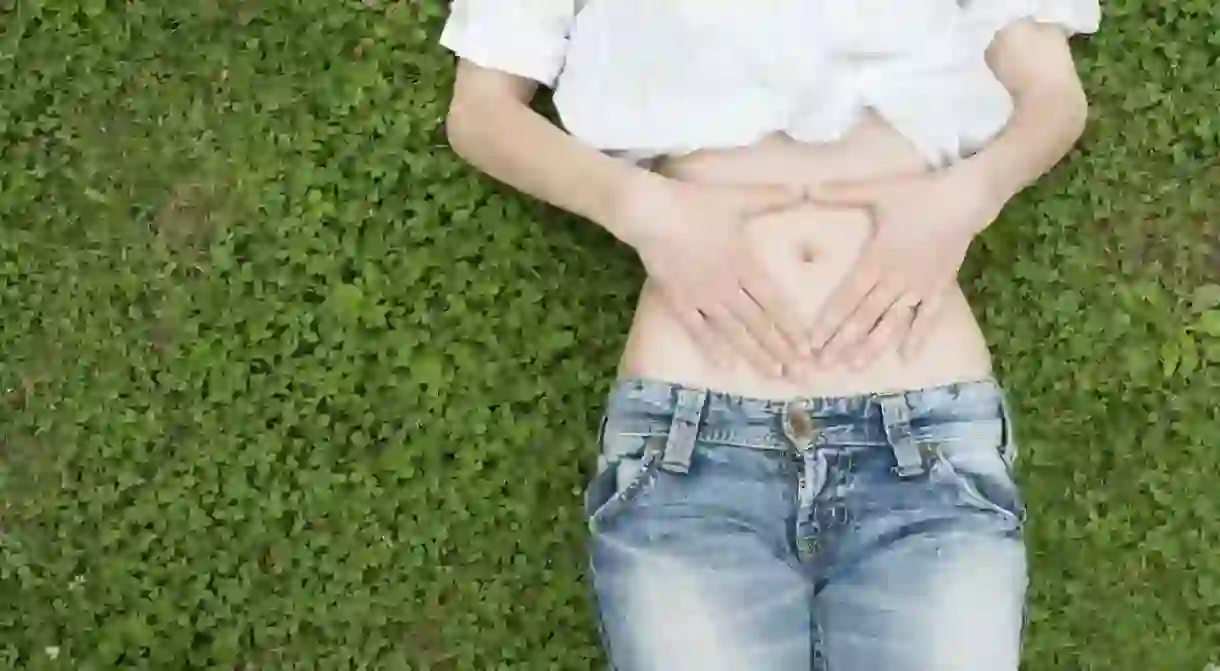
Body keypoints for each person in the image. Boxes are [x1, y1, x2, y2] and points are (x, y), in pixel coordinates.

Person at [439, 1, 1099, 669]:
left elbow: (1050, 95)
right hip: (690, 443)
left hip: (923, 440)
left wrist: (963, 200)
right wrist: (644, 209)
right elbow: (482, 112)